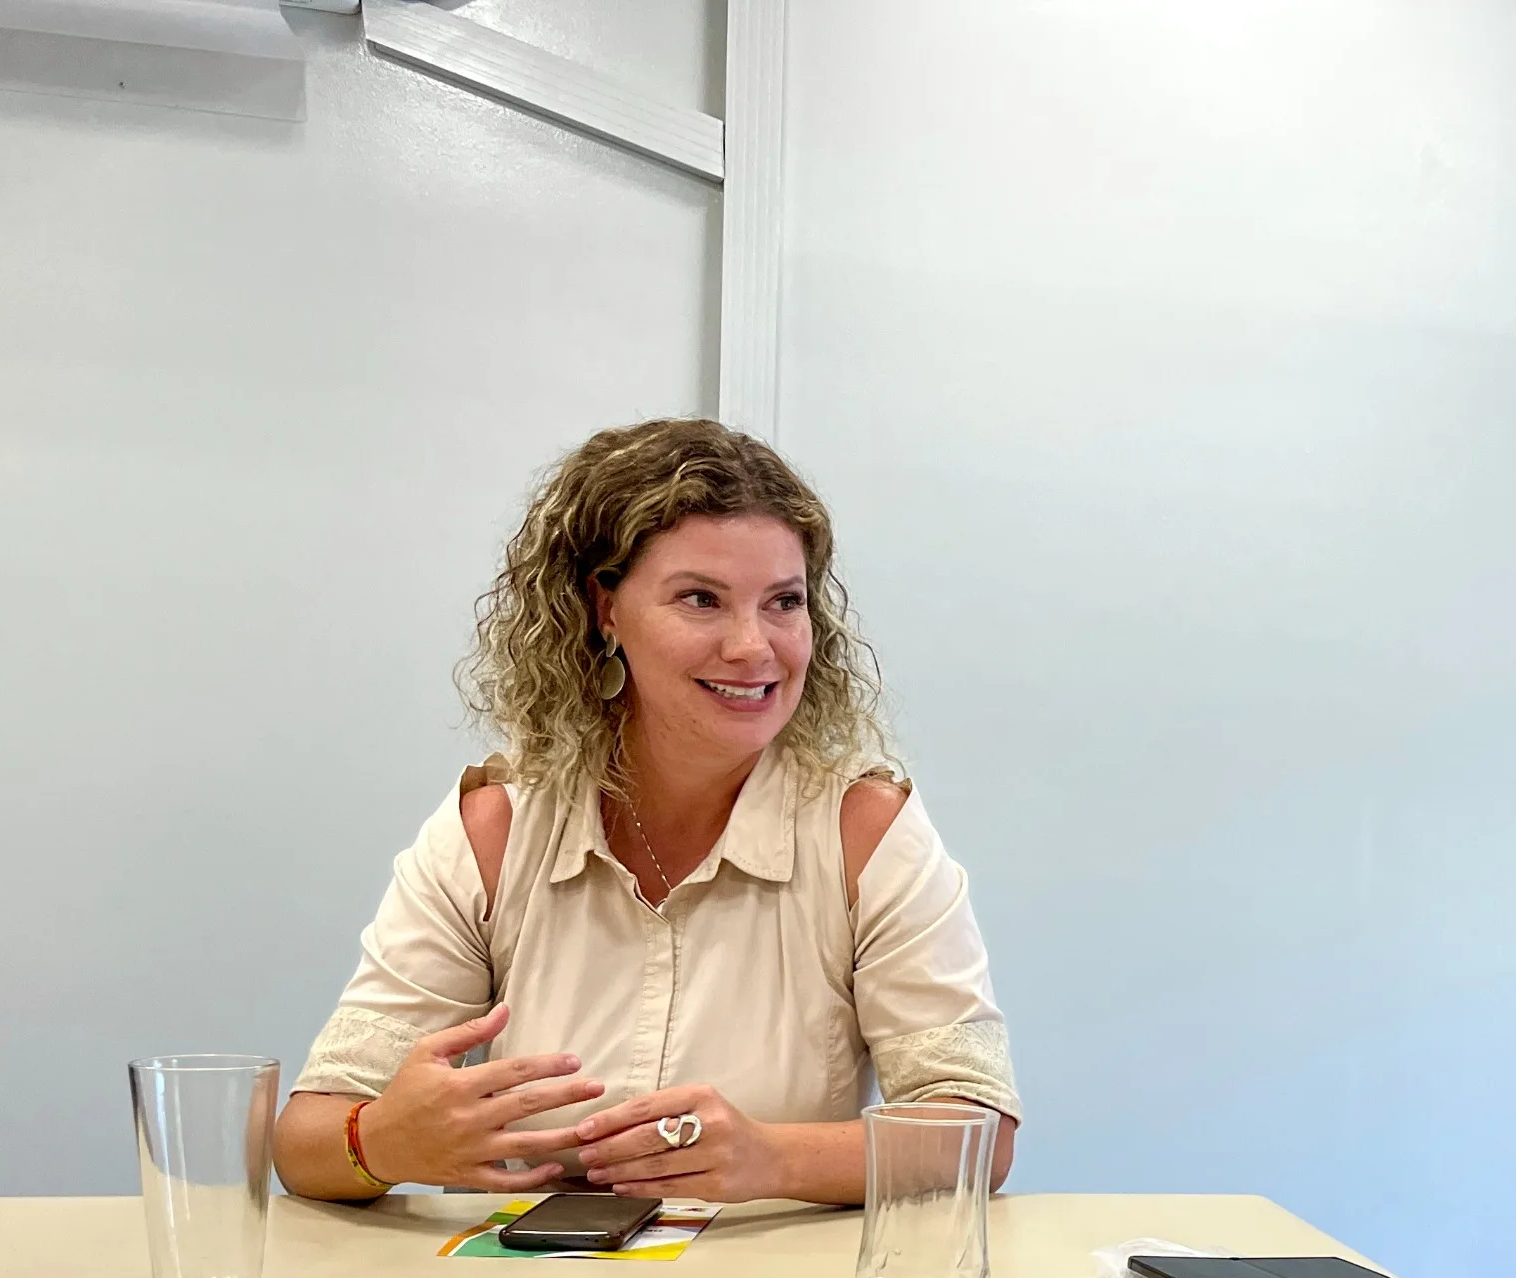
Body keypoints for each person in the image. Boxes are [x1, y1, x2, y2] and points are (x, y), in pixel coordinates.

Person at [274, 418, 1018, 1205]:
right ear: (605, 610)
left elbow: (978, 1133)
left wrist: (774, 1159)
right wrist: (384, 1141)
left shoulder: (866, 831)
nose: (753, 646)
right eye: (701, 599)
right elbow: (307, 1140)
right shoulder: (493, 831)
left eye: (783, 602)